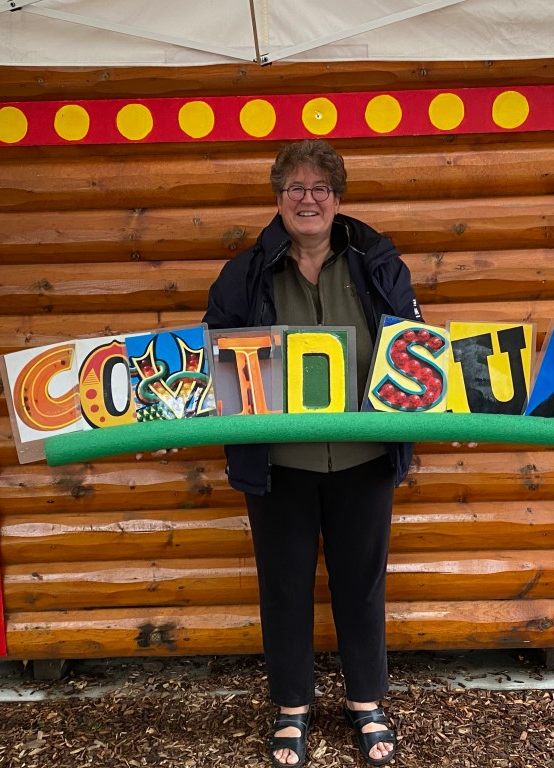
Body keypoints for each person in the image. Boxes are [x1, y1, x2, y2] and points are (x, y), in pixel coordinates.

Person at [204, 140, 421, 768]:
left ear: (337, 197)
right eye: (295, 187)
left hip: (363, 458)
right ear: (279, 198)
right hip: (280, 465)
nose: (308, 199)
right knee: (284, 586)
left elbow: (415, 344)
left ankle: (366, 702)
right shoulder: (246, 272)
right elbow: (213, 353)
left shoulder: (377, 262)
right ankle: (292, 707)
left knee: (362, 585)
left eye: (320, 188)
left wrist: (434, 408)